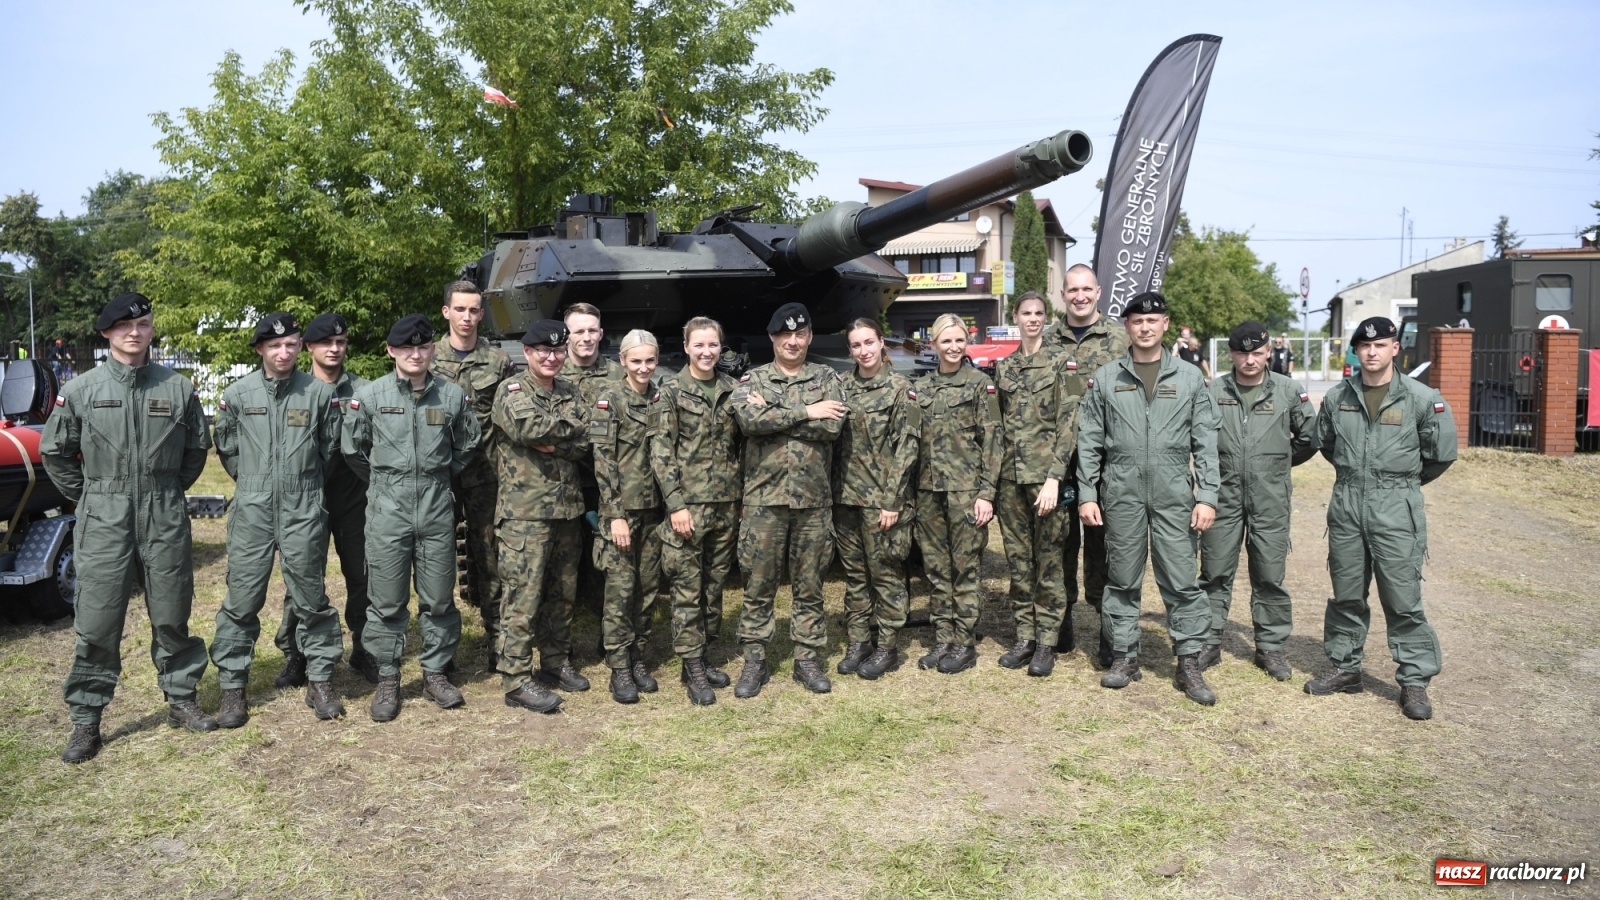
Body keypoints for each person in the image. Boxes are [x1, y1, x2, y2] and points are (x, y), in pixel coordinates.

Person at [42, 292, 218, 763]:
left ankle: (181, 699)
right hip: (104, 515)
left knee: (172, 612)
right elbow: (55, 452)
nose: (134, 333)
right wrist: (92, 495)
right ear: (107, 333)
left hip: (163, 512)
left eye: (142, 324)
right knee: (97, 620)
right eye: (124, 326)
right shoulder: (81, 391)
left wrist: (167, 490)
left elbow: (196, 449)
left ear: (151, 329)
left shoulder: (178, 388)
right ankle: (86, 720)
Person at [1304, 316, 1457, 721]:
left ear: (1395, 349)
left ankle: (1414, 680)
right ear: (1357, 350)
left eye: (1380, 345)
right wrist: (1359, 478)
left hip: (1396, 508)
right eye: (1364, 346)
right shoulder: (1338, 397)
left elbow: (1440, 455)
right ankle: (1345, 667)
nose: (1372, 352)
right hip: (1347, 506)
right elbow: (1328, 445)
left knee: (1402, 599)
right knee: (1346, 594)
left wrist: (1400, 484)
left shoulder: (1422, 398)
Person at [1076, 291, 1222, 706]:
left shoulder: (1189, 378)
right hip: (1121, 490)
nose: (1145, 327)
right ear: (1127, 326)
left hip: (1174, 490)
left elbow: (1206, 442)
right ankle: (1124, 656)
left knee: (1181, 579)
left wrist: (1207, 496)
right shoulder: (1108, 377)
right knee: (1122, 578)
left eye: (1152, 321)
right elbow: (1089, 439)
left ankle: (1189, 662)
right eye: (1137, 321)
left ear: (1165, 324)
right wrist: (1087, 493)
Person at [209, 313, 345, 726]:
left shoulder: (318, 394)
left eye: (290, 344)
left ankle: (320, 680)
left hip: (304, 506)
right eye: (274, 346)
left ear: (300, 346)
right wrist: (257, 483)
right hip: (252, 508)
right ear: (259, 350)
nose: (283, 352)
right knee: (242, 599)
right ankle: (233, 688)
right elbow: (228, 448)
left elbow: (329, 450)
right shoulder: (237, 394)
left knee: (311, 597)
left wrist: (300, 484)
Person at [344, 314, 480, 722]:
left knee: (439, 597)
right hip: (388, 509)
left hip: (436, 507)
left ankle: (435, 673)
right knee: (386, 601)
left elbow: (468, 442)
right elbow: (353, 449)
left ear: (432, 349)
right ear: (391, 351)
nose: (416, 354)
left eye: (423, 347)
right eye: (407, 348)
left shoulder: (451, 396)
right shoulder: (370, 396)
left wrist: (439, 476)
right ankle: (388, 676)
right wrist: (387, 481)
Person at [729, 302, 846, 697]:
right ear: (772, 337)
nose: (792, 341)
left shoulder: (826, 377)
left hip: (813, 502)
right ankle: (754, 660)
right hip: (764, 502)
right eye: (785, 335)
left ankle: (807, 659)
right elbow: (748, 421)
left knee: (810, 586)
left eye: (800, 334)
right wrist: (807, 411)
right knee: (757, 586)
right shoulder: (753, 379)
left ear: (809, 336)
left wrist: (776, 416)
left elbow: (832, 427)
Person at [1197, 321, 1317, 681]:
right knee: (1215, 572)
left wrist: (1277, 465)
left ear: (1268, 352)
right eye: (1242, 353)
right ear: (1231, 354)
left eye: (1257, 353)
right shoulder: (1212, 391)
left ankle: (1270, 647)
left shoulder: (1288, 390)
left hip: (1270, 497)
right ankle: (1208, 641)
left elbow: (1309, 437)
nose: (1249, 360)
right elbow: (1198, 439)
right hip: (1222, 496)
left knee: (1269, 574)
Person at [493, 319, 592, 714]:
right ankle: (516, 678)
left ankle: (555, 661)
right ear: (527, 352)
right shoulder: (512, 390)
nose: (551, 357)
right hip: (526, 513)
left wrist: (558, 442)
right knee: (523, 596)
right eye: (543, 350)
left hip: (567, 509)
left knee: (562, 593)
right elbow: (528, 429)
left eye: (557, 350)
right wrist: (569, 431)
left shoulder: (570, 390)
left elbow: (588, 440)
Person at [273, 313, 377, 686]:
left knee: (363, 575)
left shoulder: (365, 391)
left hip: (354, 496)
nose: (334, 349)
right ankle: (297, 655)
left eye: (341, 342)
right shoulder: (294, 391)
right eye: (326, 343)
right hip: (305, 498)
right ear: (309, 348)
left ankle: (365, 648)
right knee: (302, 578)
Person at [650, 317, 741, 705]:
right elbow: (661, 451)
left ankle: (702, 656)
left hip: (725, 505)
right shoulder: (671, 392)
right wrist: (675, 504)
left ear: (721, 346)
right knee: (687, 589)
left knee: (713, 587)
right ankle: (692, 667)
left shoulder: (733, 390)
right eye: (699, 345)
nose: (707, 352)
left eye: (713, 345)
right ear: (686, 347)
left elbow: (741, 447)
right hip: (687, 508)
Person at [1045, 264, 1129, 666]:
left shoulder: (1120, 339)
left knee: (1103, 545)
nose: (1079, 296)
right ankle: (1060, 624)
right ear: (1063, 295)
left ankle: (1108, 630)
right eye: (1072, 290)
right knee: (1058, 542)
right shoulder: (1047, 341)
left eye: (1086, 289)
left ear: (1098, 292)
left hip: (1107, 461)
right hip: (1058, 464)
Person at [993, 293, 1078, 677]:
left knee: (1049, 563)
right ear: (1015, 317)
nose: (1032, 319)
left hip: (1046, 481)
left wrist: (1055, 478)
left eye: (1039, 313)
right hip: (1010, 481)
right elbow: (996, 426)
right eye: (1026, 313)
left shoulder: (1063, 362)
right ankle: (1025, 637)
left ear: (1046, 317)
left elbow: (1070, 424)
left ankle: (1047, 642)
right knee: (1018, 563)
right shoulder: (1004, 367)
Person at [832, 318, 921, 681]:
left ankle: (887, 646)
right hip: (846, 498)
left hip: (882, 501)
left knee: (885, 575)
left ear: (882, 342)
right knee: (855, 576)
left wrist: (892, 500)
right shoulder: (840, 387)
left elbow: (907, 448)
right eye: (856, 345)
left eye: (869, 342)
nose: (863, 351)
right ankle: (859, 641)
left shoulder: (900, 388)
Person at [913, 313, 1001, 676]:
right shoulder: (921, 388)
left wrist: (987, 493)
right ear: (933, 344)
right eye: (945, 341)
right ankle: (943, 637)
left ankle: (964, 642)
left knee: (964, 568)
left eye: (959, 340)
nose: (953, 347)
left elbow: (993, 440)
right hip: (928, 491)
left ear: (967, 343)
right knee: (936, 568)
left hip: (966, 492)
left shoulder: (981, 385)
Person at [428, 280, 511, 669]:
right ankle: (442, 649)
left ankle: (498, 640)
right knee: (437, 559)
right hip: (439, 475)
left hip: (485, 473)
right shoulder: (427, 358)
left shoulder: (498, 361)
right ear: (447, 312)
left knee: (490, 556)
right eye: (459, 309)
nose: (467, 317)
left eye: (474, 310)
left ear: (482, 313)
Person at [591, 329, 666, 703]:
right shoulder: (609, 400)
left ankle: (637, 655)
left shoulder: (659, 397)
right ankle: (619, 665)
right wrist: (615, 514)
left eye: (650, 360)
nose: (643, 367)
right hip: (621, 512)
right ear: (622, 361)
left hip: (653, 510)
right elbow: (603, 461)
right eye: (636, 361)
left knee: (648, 588)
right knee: (620, 591)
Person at [561, 303, 626, 613]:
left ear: (601, 333)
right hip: (564, 476)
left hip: (605, 479)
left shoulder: (618, 374)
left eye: (592, 330)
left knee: (606, 547)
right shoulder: (553, 372)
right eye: (578, 331)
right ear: (567, 335)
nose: (586, 337)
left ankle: (604, 608)